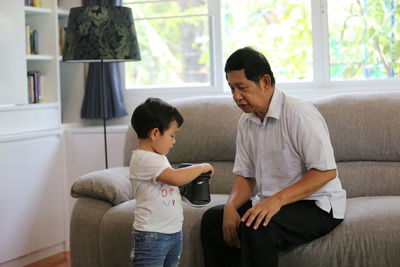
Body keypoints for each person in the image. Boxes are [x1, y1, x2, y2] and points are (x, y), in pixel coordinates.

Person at [201, 47, 346, 267]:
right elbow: (246, 177)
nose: (236, 97)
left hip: (317, 205)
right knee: (213, 219)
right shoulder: (246, 122)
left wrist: (275, 201)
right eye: (231, 89)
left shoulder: (299, 113)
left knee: (255, 225)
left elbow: (325, 171)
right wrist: (230, 206)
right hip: (273, 202)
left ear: (265, 82)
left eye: (242, 88)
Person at [129, 97, 214, 267]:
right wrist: (201, 167)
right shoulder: (143, 158)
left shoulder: (158, 157)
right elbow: (175, 178)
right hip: (152, 235)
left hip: (172, 232)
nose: (174, 141)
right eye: (172, 135)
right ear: (154, 133)